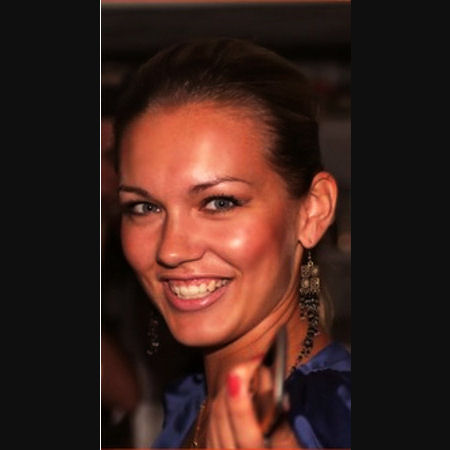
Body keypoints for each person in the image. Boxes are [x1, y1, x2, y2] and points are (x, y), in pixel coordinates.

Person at [112, 38, 350, 449]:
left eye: (219, 202)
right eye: (144, 207)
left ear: (313, 211)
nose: (170, 249)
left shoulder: (335, 421)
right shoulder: (191, 404)